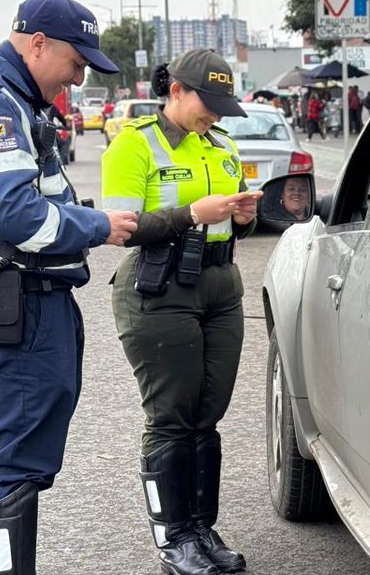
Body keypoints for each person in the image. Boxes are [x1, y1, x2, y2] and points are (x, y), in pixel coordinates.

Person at [0, 0, 138, 575]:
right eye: (76, 64)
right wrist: (97, 225)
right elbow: (16, 215)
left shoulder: (17, 99)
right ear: (38, 44)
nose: (76, 80)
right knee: (12, 462)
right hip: (14, 303)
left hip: (36, 300)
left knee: (28, 453)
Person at [102, 49, 260, 575]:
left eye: (221, 105)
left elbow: (234, 224)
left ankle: (201, 530)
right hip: (158, 288)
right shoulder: (135, 143)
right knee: (172, 418)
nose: (213, 114)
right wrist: (191, 213)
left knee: (206, 416)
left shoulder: (223, 146)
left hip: (219, 286)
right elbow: (119, 228)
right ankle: (175, 540)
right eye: (206, 102)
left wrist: (243, 217)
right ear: (176, 91)